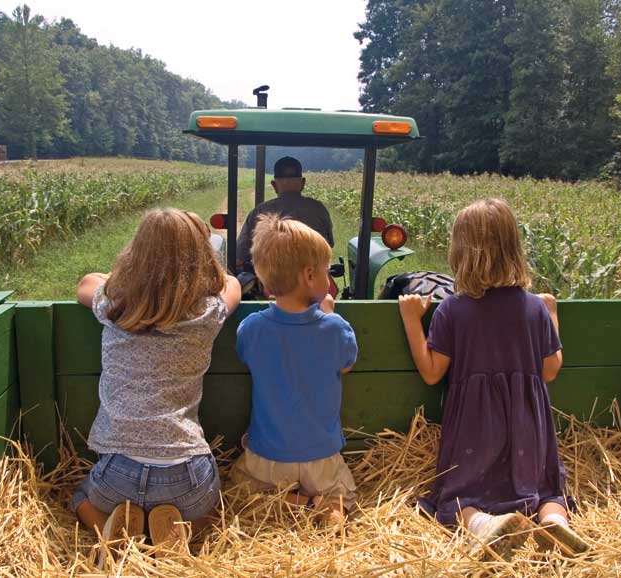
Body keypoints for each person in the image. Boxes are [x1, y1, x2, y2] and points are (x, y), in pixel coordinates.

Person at [397, 198, 589, 559]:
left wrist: (410, 320)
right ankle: (554, 521)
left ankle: (481, 524)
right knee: (545, 489)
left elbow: (431, 371)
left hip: (474, 426)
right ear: (513, 248)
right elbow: (550, 369)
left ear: (460, 252)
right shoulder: (533, 307)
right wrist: (552, 314)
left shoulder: (453, 309)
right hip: (528, 424)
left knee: (458, 493)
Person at [73, 208, 241, 556]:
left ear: (137, 254)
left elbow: (85, 283)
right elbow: (233, 284)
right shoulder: (208, 312)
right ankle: (179, 532)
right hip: (186, 476)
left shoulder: (115, 305)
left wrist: (130, 280)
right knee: (212, 510)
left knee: (79, 496)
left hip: (117, 473)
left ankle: (107, 529)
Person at [231, 214, 358, 526]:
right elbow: (346, 366)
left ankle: (295, 503)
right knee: (343, 494)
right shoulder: (335, 328)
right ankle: (329, 507)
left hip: (268, 457)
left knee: (239, 488)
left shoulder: (252, 328)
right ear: (308, 275)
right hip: (322, 459)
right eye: (327, 272)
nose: (329, 279)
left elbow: (248, 357)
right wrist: (329, 314)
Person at [235, 156, 334, 269]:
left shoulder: (260, 211)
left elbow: (240, 255)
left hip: (272, 280)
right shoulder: (319, 209)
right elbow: (329, 244)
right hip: (313, 277)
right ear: (303, 183)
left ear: (274, 185)